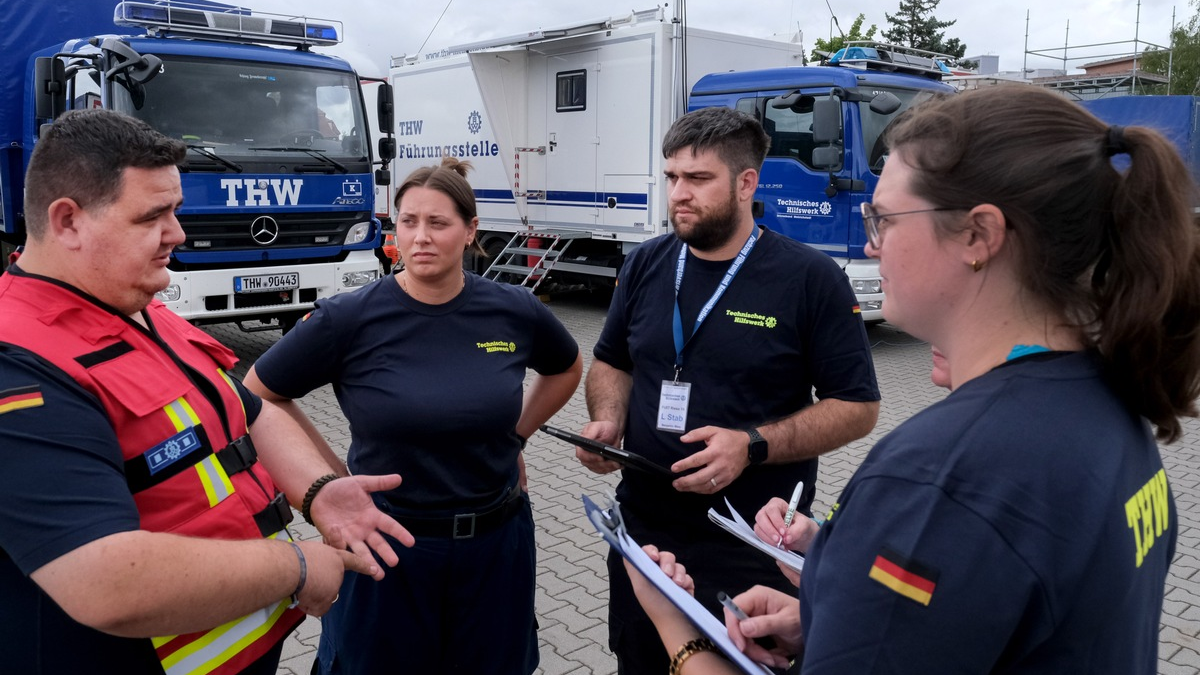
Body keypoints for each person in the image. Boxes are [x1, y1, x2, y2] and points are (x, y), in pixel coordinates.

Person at [627, 85, 1200, 673]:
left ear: (978, 237)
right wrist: (825, 612)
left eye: (885, 218)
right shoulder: (1113, 405)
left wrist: (677, 625)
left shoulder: (935, 480)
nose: (873, 246)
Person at [0, 109, 415, 675]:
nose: (178, 234)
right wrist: (296, 567)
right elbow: (104, 580)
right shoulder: (19, 363)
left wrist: (318, 491)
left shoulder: (139, 306)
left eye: (176, 210)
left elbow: (246, 407)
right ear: (68, 221)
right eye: (154, 216)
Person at [244, 156, 583, 674]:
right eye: (408, 222)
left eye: (438, 223)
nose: (421, 237)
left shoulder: (513, 308)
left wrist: (515, 437)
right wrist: (327, 481)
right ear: (393, 228)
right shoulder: (349, 318)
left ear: (471, 231)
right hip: (385, 546)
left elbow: (565, 368)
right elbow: (259, 395)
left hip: (495, 548)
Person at [577, 105, 880, 674]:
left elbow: (858, 407)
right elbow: (611, 362)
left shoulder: (810, 279)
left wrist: (753, 444)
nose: (678, 195)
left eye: (697, 179)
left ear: (746, 182)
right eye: (671, 178)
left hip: (749, 544)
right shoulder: (647, 263)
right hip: (645, 536)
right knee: (643, 661)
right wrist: (608, 420)